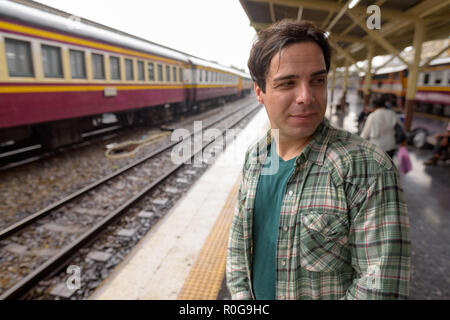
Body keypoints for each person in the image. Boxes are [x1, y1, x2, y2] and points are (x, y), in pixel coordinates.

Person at [226, 19, 410, 300]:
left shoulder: (367, 168)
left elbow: (380, 287)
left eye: (318, 80)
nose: (307, 97)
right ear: (259, 92)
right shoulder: (255, 157)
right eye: (287, 83)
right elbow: (239, 243)